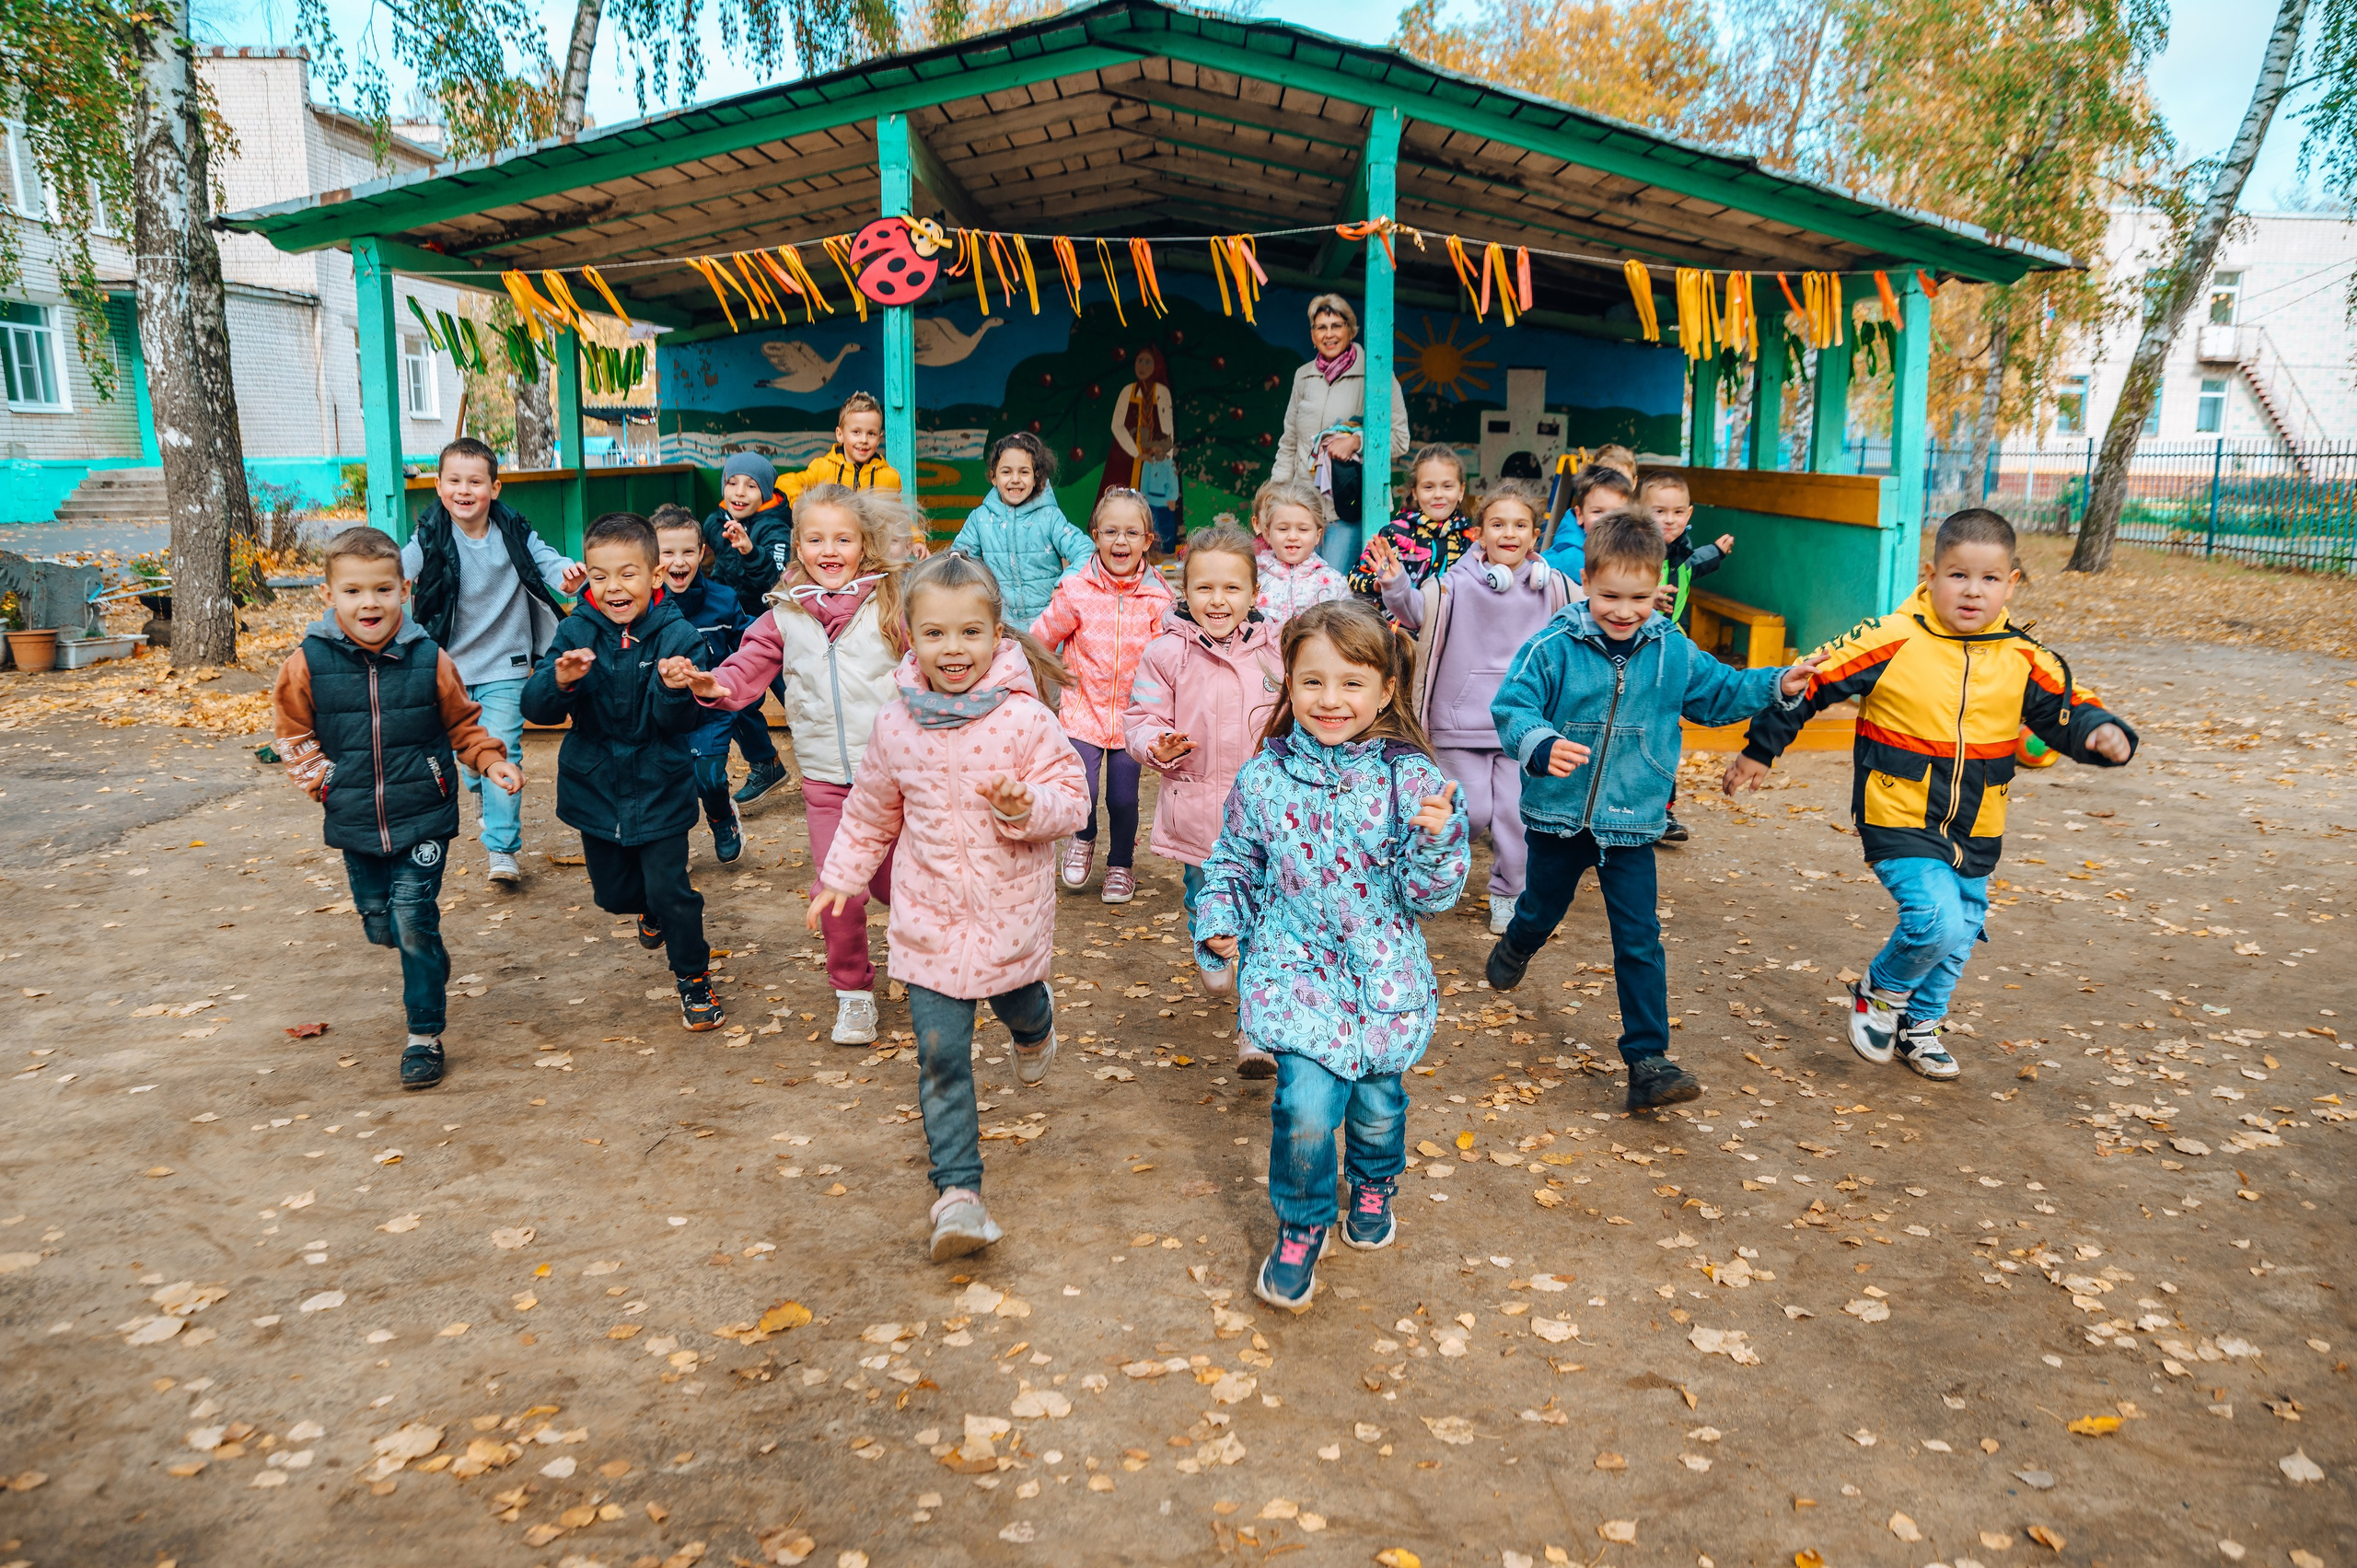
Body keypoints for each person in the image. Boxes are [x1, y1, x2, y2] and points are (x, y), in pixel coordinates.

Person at [1728, 507, 2137, 1081]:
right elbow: (1810, 681)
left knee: (1965, 926)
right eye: (1958, 575)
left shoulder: (2024, 656)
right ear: (1930, 573)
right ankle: (1881, 991)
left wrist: (2099, 732)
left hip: (1978, 819)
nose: (1973, 592)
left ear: (2011, 582)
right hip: (1898, 813)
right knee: (1936, 919)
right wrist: (1761, 748)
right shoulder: (1891, 638)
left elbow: (2066, 709)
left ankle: (1920, 1025)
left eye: (1990, 579)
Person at [1485, 509, 1822, 1109]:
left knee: (1639, 939)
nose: (1623, 610)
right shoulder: (1555, 644)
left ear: (1657, 589)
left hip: (1633, 821)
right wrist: (1538, 744)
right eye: (1610, 594)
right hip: (1559, 818)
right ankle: (1519, 941)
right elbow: (1514, 706)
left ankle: (1648, 1060)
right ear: (1586, 580)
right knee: (1541, 907)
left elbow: (1720, 692)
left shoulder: (1671, 649)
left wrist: (1776, 685)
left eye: (1639, 597)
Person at [809, 552, 1088, 1262]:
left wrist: (1027, 807)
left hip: (1009, 915)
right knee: (940, 1054)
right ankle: (958, 1194)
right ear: (910, 636)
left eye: (969, 633)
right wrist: (842, 874)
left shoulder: (1025, 719)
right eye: (935, 634)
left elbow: (1074, 801)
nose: (953, 649)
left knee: (1019, 1003)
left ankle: (1036, 1026)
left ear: (998, 636)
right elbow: (872, 810)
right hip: (928, 916)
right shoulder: (896, 724)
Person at [1192, 599, 1469, 1309]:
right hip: (1295, 971)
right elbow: (1234, 861)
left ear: (1384, 690)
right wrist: (1221, 914)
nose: (1330, 699)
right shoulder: (1263, 777)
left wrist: (1437, 840)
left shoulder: (1413, 781)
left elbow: (1426, 895)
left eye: (1352, 682)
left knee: (1378, 1107)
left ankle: (1374, 1182)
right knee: (1306, 1107)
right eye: (1312, 681)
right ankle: (1301, 1222)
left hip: (1383, 976)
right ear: (1289, 682)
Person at [273, 526, 520, 1091]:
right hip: (354, 819)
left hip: (423, 815)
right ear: (329, 595)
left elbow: (462, 723)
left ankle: (423, 1036)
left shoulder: (428, 658)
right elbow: (292, 733)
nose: (370, 603)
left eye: (383, 590)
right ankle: (421, 949)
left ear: (404, 591)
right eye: (354, 591)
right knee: (383, 925)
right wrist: (325, 784)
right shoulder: (306, 663)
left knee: (412, 918)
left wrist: (489, 762)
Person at [664, 483, 911, 1047]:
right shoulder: (785, 613)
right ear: (797, 545)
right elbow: (746, 666)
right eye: (817, 538)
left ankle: (921, 960)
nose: (830, 550)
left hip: (897, 783)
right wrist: (712, 683)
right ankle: (852, 992)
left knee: (899, 886)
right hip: (827, 783)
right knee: (836, 891)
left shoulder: (893, 603)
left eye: (843, 539)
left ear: (864, 544)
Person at [522, 511, 725, 1032]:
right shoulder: (573, 629)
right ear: (587, 576)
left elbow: (678, 722)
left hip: (660, 782)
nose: (614, 587)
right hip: (597, 787)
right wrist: (561, 681)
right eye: (600, 575)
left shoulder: (678, 635)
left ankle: (693, 977)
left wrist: (673, 688)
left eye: (627, 574)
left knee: (670, 890)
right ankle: (647, 910)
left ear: (655, 576)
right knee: (613, 895)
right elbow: (537, 708)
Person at [1374, 479, 1576, 935]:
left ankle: (1509, 895)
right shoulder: (1454, 586)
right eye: (1498, 523)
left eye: (1520, 524)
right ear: (1479, 533)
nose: (1509, 533)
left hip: (1524, 727)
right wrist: (1394, 581)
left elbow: (1596, 612)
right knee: (1473, 813)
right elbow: (1414, 612)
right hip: (1458, 724)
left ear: (1534, 533)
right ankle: (1424, 874)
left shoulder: (1556, 588)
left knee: (1514, 817)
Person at [1124, 524, 1285, 1078]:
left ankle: (1255, 1035)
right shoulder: (1166, 653)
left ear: (1253, 593)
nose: (1219, 601)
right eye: (1205, 589)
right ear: (1184, 591)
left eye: (1232, 589)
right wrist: (1156, 744)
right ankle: (1208, 940)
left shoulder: (1276, 652)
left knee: (1265, 923)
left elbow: (1298, 714)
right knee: (1204, 897)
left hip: (1266, 818)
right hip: (1197, 812)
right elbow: (1141, 720)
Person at [400, 436, 585, 887]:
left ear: (494, 488)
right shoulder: (429, 536)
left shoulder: (513, 532)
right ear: (439, 488)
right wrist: (376, 586)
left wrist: (568, 574)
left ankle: (502, 848)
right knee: (471, 759)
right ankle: (482, 784)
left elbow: (546, 561)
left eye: (475, 481)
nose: (465, 490)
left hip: (507, 663)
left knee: (503, 747)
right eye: (454, 481)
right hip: (450, 669)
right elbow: (395, 569)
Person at [1031, 488, 1175, 903]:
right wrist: (1051, 682)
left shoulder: (1158, 599)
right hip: (1083, 712)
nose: (1120, 542)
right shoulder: (1076, 591)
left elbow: (1167, 661)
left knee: (1123, 797)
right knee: (1084, 791)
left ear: (1148, 540)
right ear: (1095, 535)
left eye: (1132, 533)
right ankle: (1084, 835)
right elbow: (1041, 639)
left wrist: (1165, 711)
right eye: (1110, 531)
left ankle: (1120, 865)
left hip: (1135, 719)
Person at [650, 505, 772, 866]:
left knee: (708, 778)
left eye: (688, 551)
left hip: (712, 710)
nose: (678, 561)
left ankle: (722, 818)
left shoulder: (723, 599)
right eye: (667, 552)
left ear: (702, 551)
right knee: (672, 784)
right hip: (665, 711)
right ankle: (674, 844)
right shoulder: (644, 606)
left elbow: (746, 644)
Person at [1271, 294, 1411, 574]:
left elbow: (1399, 440)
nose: (1329, 334)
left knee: (1334, 591)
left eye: (1336, 325)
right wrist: (1274, 497)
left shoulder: (1377, 375)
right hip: (1302, 510)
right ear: (1312, 335)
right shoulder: (1304, 376)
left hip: (1347, 510)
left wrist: (1356, 441)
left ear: (1351, 330)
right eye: (1321, 327)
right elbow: (1289, 442)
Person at [701, 451, 797, 807]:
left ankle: (838, 767)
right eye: (732, 482)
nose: (739, 491)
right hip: (733, 629)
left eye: (751, 485)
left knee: (800, 700)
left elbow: (774, 579)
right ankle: (765, 763)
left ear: (766, 491)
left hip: (773, 630)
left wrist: (749, 549)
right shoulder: (717, 520)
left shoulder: (775, 528)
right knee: (734, 698)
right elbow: (710, 547)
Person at [1640, 471, 1730, 845]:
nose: (1669, 519)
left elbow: (1698, 562)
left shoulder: (1684, 552)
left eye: (1678, 511)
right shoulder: (1634, 552)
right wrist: (1645, 598)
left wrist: (1719, 551)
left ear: (1689, 513)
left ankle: (1662, 810)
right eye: (1659, 511)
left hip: (1670, 653)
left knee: (1665, 729)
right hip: (1634, 651)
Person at [950, 431, 1092, 632]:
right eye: (1006, 472)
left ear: (1036, 479)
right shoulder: (980, 519)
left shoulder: (1049, 517)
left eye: (1024, 472)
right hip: (1002, 627)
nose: (1015, 479)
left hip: (1050, 625)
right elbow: (959, 560)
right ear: (993, 477)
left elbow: (1085, 551)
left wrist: (1065, 584)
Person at [1346, 445, 1473, 599]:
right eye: (1428, 487)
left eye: (1447, 486)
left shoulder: (1471, 539)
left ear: (1461, 491)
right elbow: (1358, 576)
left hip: (1454, 622)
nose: (1438, 494)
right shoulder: (1395, 536)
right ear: (1415, 492)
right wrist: (1380, 580)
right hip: (1401, 623)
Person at [1103, 346, 1182, 551]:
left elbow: (1168, 431)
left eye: (1148, 362)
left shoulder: (1162, 393)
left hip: (1155, 459)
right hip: (1127, 459)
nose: (1143, 366)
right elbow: (1116, 425)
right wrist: (1136, 452)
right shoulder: (1128, 391)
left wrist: (1164, 461)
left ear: (1156, 366)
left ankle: (1154, 549)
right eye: (1140, 361)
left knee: (1156, 511)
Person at [1250, 478, 1348, 628]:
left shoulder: (1335, 582)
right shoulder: (1252, 575)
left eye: (1303, 529)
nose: (1292, 537)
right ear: (1268, 534)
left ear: (1317, 535)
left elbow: (1347, 633)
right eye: (1283, 529)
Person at [781, 391, 901, 506]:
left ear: (879, 439)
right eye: (856, 432)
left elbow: (900, 519)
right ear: (840, 434)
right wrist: (799, 502)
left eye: (871, 434)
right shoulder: (822, 468)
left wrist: (914, 529)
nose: (864, 440)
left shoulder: (890, 478)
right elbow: (784, 482)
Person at [1538, 462, 1633, 582]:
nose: (1607, 520)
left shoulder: (1625, 547)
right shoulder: (1573, 558)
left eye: (1616, 513)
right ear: (1580, 515)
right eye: (1597, 512)